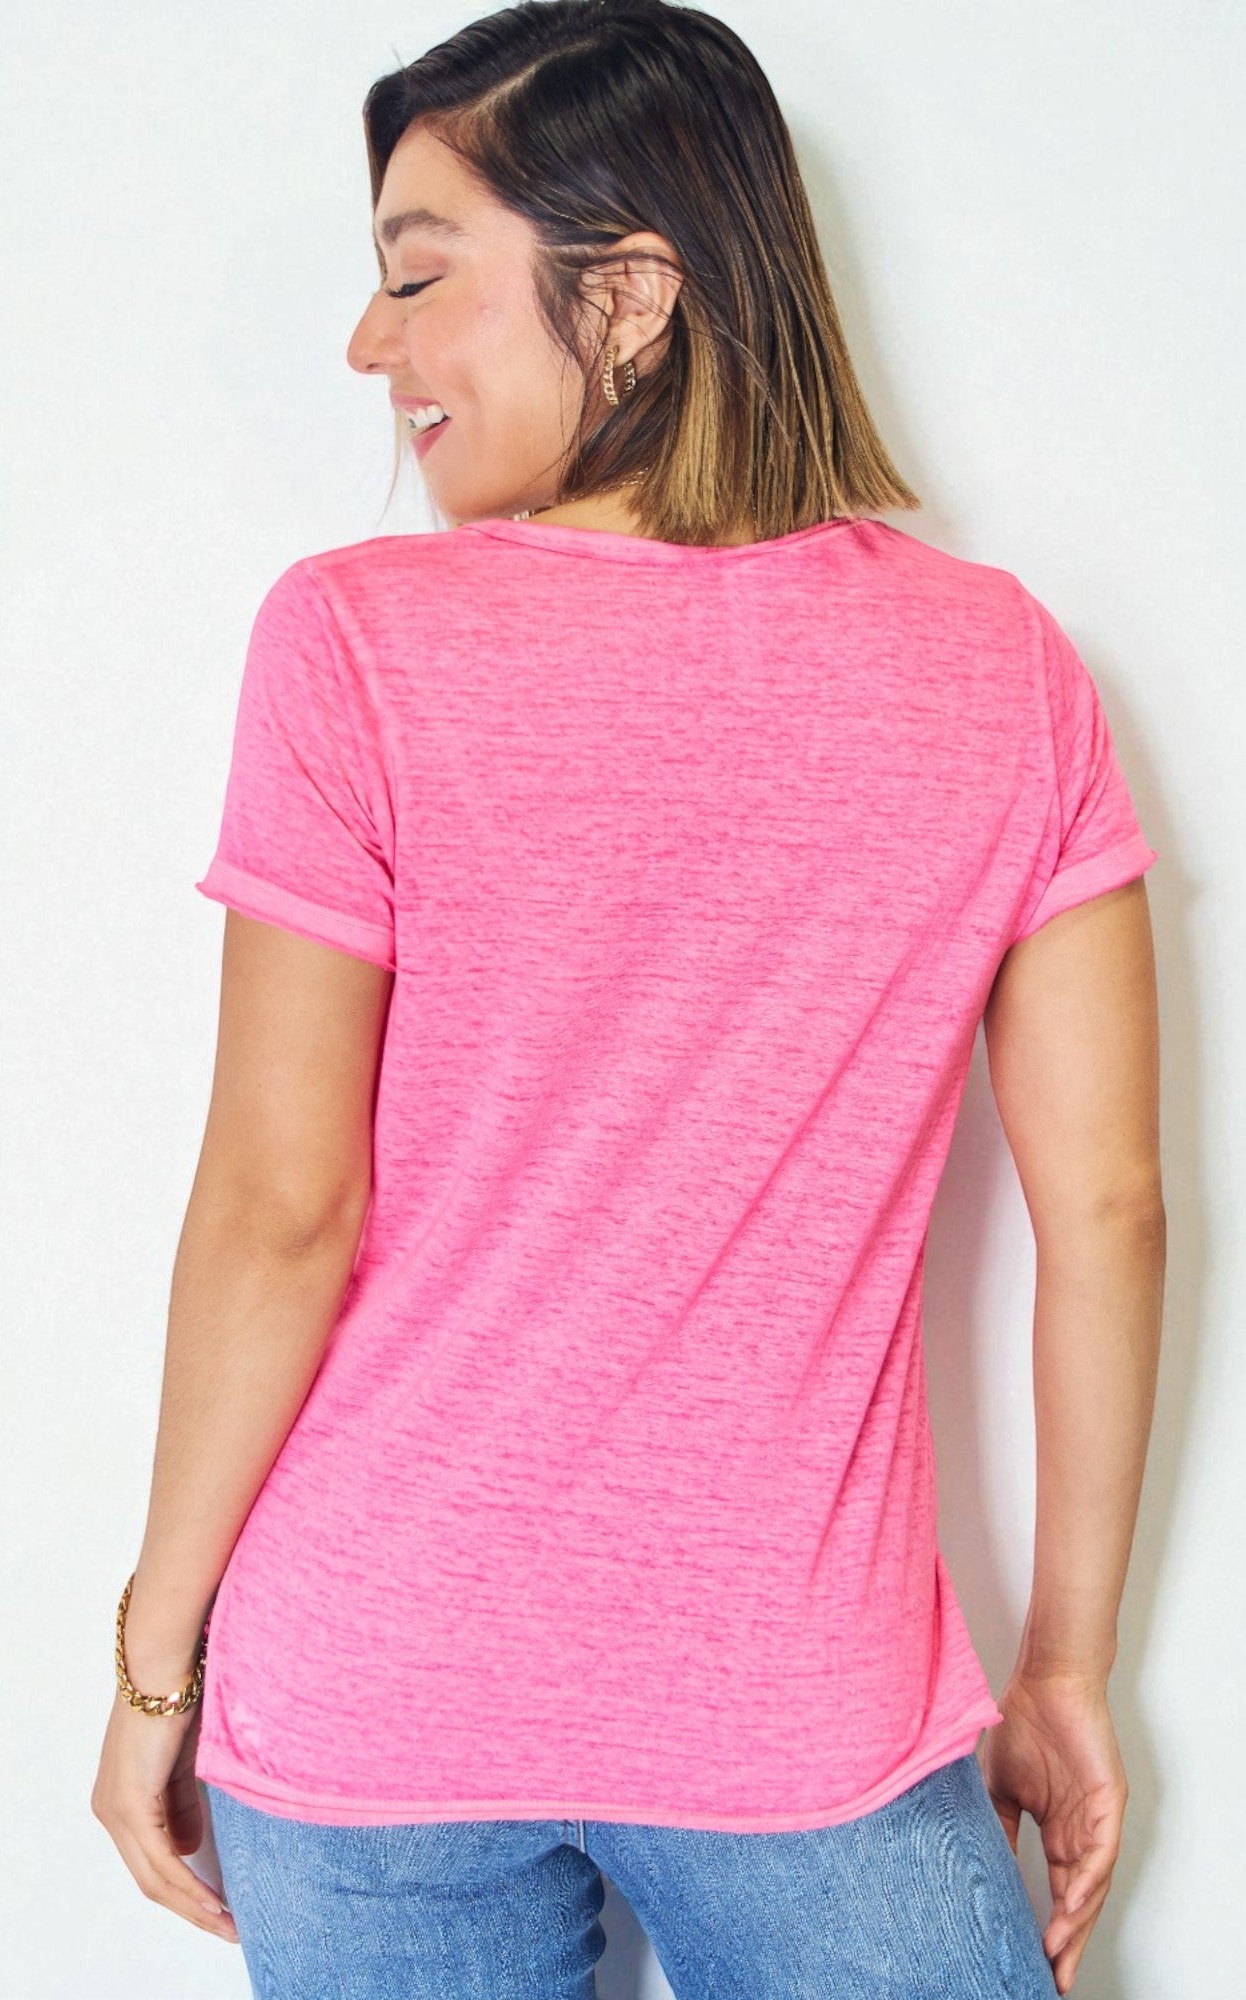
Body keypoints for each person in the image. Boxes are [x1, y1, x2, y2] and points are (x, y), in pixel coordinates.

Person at [90, 4, 1166, 1995]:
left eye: (417, 276)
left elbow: (275, 1205)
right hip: (797, 1701)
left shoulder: (351, 643)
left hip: (371, 1687)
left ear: (637, 289)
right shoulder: (998, 668)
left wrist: (157, 1662)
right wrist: (1065, 1664)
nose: (367, 344)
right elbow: (1101, 1210)